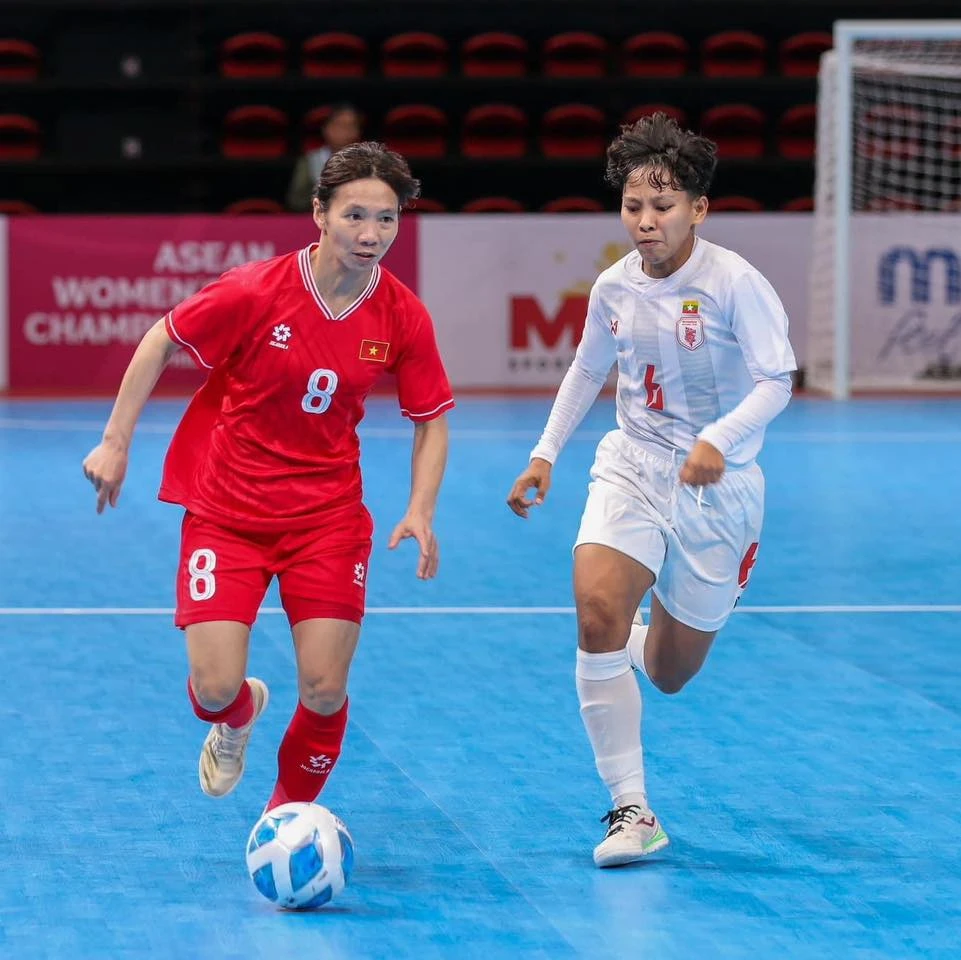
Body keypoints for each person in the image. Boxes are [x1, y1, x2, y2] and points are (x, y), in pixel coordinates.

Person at [83, 141, 454, 814]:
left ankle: (283, 818)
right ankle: (237, 717)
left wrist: (420, 508)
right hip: (228, 513)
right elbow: (161, 340)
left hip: (328, 520)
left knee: (323, 688)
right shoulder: (256, 290)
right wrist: (116, 442)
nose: (371, 235)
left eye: (387, 219)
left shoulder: (401, 313)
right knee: (215, 687)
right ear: (318, 213)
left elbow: (430, 418)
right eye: (355, 216)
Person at [506, 113, 796, 868]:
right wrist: (543, 457)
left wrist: (717, 440)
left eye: (661, 206)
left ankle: (636, 649)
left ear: (698, 208)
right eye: (633, 205)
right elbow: (585, 370)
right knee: (596, 607)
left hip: (717, 487)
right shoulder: (613, 285)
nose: (644, 221)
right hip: (631, 460)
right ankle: (630, 809)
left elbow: (776, 380)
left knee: (668, 672)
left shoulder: (735, 283)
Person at [286, 103, 363, 213]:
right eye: (340, 126)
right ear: (327, 129)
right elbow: (296, 201)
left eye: (351, 126)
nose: (346, 132)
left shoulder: (368, 162)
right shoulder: (310, 161)